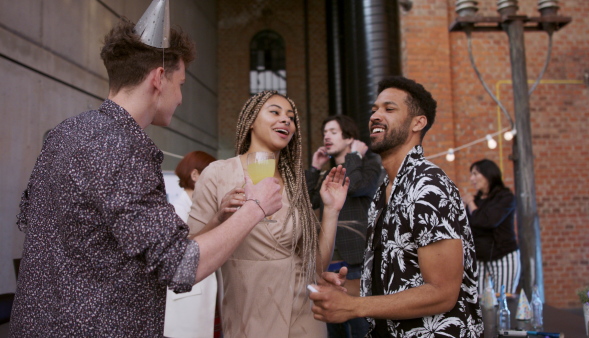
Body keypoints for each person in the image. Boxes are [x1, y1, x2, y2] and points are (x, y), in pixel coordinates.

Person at [9, 12, 283, 337]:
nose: (180, 98)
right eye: (180, 85)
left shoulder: (63, 133)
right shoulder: (125, 147)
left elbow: (59, 228)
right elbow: (181, 265)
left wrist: (216, 223)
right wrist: (256, 207)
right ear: (158, 79)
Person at [310, 76, 483, 337]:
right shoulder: (384, 190)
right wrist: (345, 290)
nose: (376, 115)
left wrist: (354, 306)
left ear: (418, 122)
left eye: (389, 109)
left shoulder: (428, 185)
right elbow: (393, 283)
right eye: (374, 109)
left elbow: (442, 293)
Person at [188, 90, 350, 337]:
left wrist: (331, 209)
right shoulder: (218, 174)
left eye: (291, 117)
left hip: (303, 315)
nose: (286, 120)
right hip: (248, 316)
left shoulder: (295, 184)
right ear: (251, 121)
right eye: (275, 112)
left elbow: (315, 266)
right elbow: (189, 252)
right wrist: (219, 218)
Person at [306, 115, 381, 338]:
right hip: (328, 263)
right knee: (333, 329)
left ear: (349, 138)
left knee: (360, 328)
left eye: (333, 132)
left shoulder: (369, 164)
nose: (326, 136)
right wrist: (314, 167)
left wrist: (355, 155)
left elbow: (356, 185)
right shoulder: (327, 174)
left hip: (355, 260)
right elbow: (309, 201)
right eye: (324, 133)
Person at [164, 151, 219, 338]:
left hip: (204, 299)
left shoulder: (202, 209)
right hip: (186, 303)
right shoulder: (175, 212)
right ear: (195, 175)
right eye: (214, 175)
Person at [462, 159, 520, 295]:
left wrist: (470, 203)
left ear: (488, 174)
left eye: (475, 174)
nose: (472, 179)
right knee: (481, 301)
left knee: (504, 300)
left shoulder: (505, 197)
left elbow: (488, 221)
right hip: (480, 258)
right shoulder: (477, 201)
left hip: (503, 256)